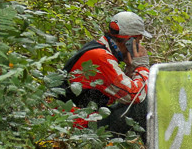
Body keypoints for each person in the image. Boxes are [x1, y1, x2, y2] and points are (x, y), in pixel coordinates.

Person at [64, 11, 151, 141]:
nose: (139, 46)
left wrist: (130, 67)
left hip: (82, 119)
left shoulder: (99, 50)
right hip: (77, 125)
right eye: (138, 40)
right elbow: (134, 96)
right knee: (145, 104)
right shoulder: (101, 57)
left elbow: (120, 92)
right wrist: (142, 67)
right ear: (130, 41)